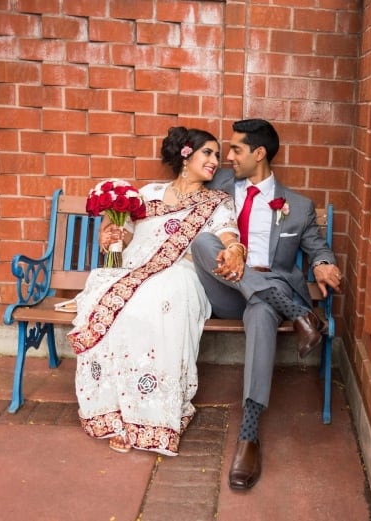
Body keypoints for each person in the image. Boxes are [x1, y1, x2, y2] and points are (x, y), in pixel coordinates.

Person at [66, 127, 245, 456]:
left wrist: (235, 250)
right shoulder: (147, 194)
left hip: (182, 274)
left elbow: (227, 235)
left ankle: (150, 418)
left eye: (218, 155)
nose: (215, 161)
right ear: (186, 154)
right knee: (117, 304)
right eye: (208, 152)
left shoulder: (217, 202)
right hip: (135, 270)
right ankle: (117, 411)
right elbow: (128, 238)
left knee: (158, 299)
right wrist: (110, 238)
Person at [191, 118, 343, 489]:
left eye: (236, 150)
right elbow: (176, 193)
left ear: (259, 153)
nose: (227, 158)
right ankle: (300, 315)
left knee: (261, 311)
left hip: (267, 290)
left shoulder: (299, 206)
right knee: (202, 242)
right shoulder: (220, 186)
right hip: (226, 290)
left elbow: (316, 246)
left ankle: (249, 434)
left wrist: (323, 263)